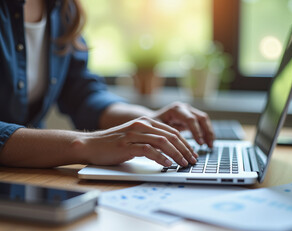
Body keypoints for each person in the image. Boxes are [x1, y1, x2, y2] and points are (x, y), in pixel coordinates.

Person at [0, 0, 214, 168]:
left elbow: (82, 92)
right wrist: (84, 144)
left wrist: (146, 119)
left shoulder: (63, 8)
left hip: (26, 176)